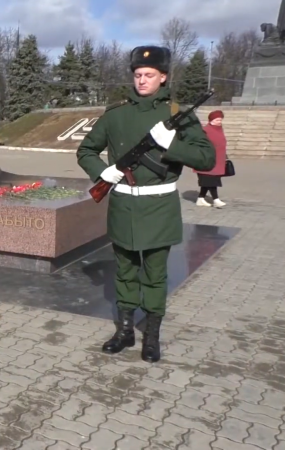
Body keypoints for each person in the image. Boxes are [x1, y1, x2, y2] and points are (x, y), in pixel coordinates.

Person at [76, 46, 215, 363]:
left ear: (163, 77)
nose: (142, 80)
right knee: (124, 272)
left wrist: (172, 144)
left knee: (154, 275)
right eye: (138, 74)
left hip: (159, 208)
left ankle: (151, 337)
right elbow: (86, 150)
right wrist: (103, 171)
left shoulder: (176, 115)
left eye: (149, 75)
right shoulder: (115, 115)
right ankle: (124, 332)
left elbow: (207, 158)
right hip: (124, 205)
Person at [196, 110, 227, 208]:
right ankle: (216, 199)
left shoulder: (219, 129)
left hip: (217, 160)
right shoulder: (206, 130)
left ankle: (200, 199)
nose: (219, 122)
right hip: (207, 160)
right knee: (211, 180)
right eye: (217, 120)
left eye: (220, 120)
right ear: (212, 120)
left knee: (207, 181)